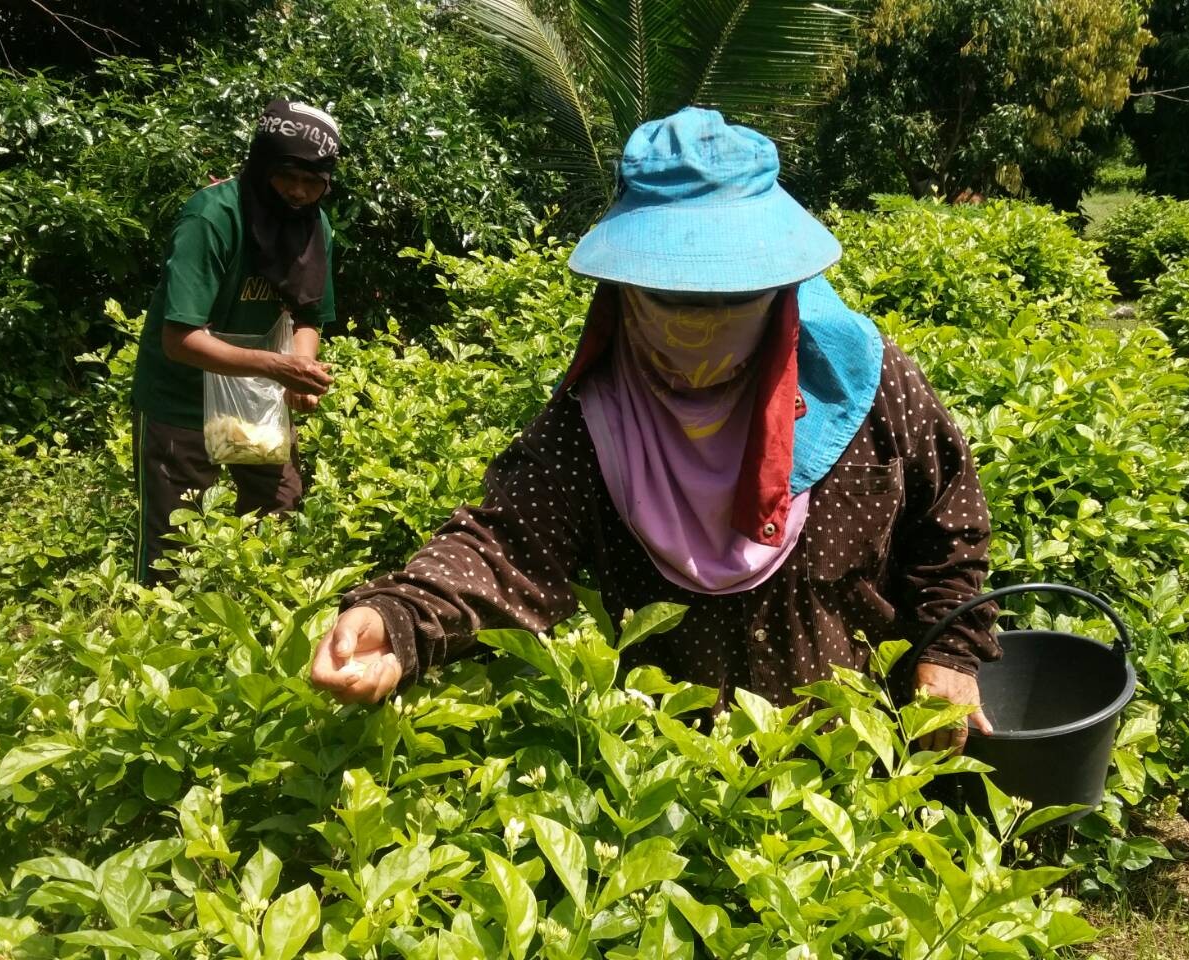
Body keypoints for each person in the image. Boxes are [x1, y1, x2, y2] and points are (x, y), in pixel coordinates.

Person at [310, 107, 1000, 751]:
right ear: (622, 291)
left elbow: (949, 522)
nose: (698, 324)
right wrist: (401, 617)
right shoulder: (599, 417)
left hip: (853, 760)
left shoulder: (862, 385)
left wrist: (950, 652)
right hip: (673, 781)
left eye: (731, 298)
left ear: (781, 289)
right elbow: (507, 544)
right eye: (670, 297)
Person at [130, 99, 341, 584]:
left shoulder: (314, 227)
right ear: (262, 164)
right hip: (179, 402)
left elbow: (309, 315)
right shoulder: (213, 218)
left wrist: (299, 373)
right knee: (174, 551)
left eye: (314, 184)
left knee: (278, 518)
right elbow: (180, 340)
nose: (298, 193)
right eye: (289, 176)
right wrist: (275, 367)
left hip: (251, 400)